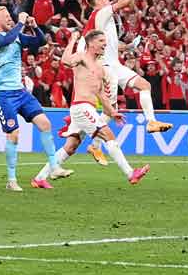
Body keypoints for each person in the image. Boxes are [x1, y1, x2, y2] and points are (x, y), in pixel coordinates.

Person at [0, 6, 73, 192]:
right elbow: (6, 39)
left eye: (11, 16)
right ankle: (11, 179)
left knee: (45, 124)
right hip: (2, 93)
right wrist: (21, 23)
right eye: (6, 17)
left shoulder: (16, 35)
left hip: (20, 91)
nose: (10, 19)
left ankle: (54, 168)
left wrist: (34, 26)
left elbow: (39, 42)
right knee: (14, 135)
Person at [79, 0, 172, 155]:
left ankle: (151, 122)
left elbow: (113, 46)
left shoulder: (104, 19)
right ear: (98, 1)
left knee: (144, 85)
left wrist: (129, 46)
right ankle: (89, 141)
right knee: (111, 109)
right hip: (106, 67)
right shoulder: (100, 12)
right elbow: (122, 3)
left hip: (115, 64)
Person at [57, 30, 150, 185]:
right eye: (101, 41)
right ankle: (130, 173)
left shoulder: (99, 68)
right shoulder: (81, 56)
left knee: (71, 146)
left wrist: (112, 112)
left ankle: (39, 178)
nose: (105, 44)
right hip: (81, 107)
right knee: (109, 136)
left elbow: (100, 94)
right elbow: (65, 60)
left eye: (105, 42)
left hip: (87, 108)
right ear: (91, 43)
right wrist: (72, 39)